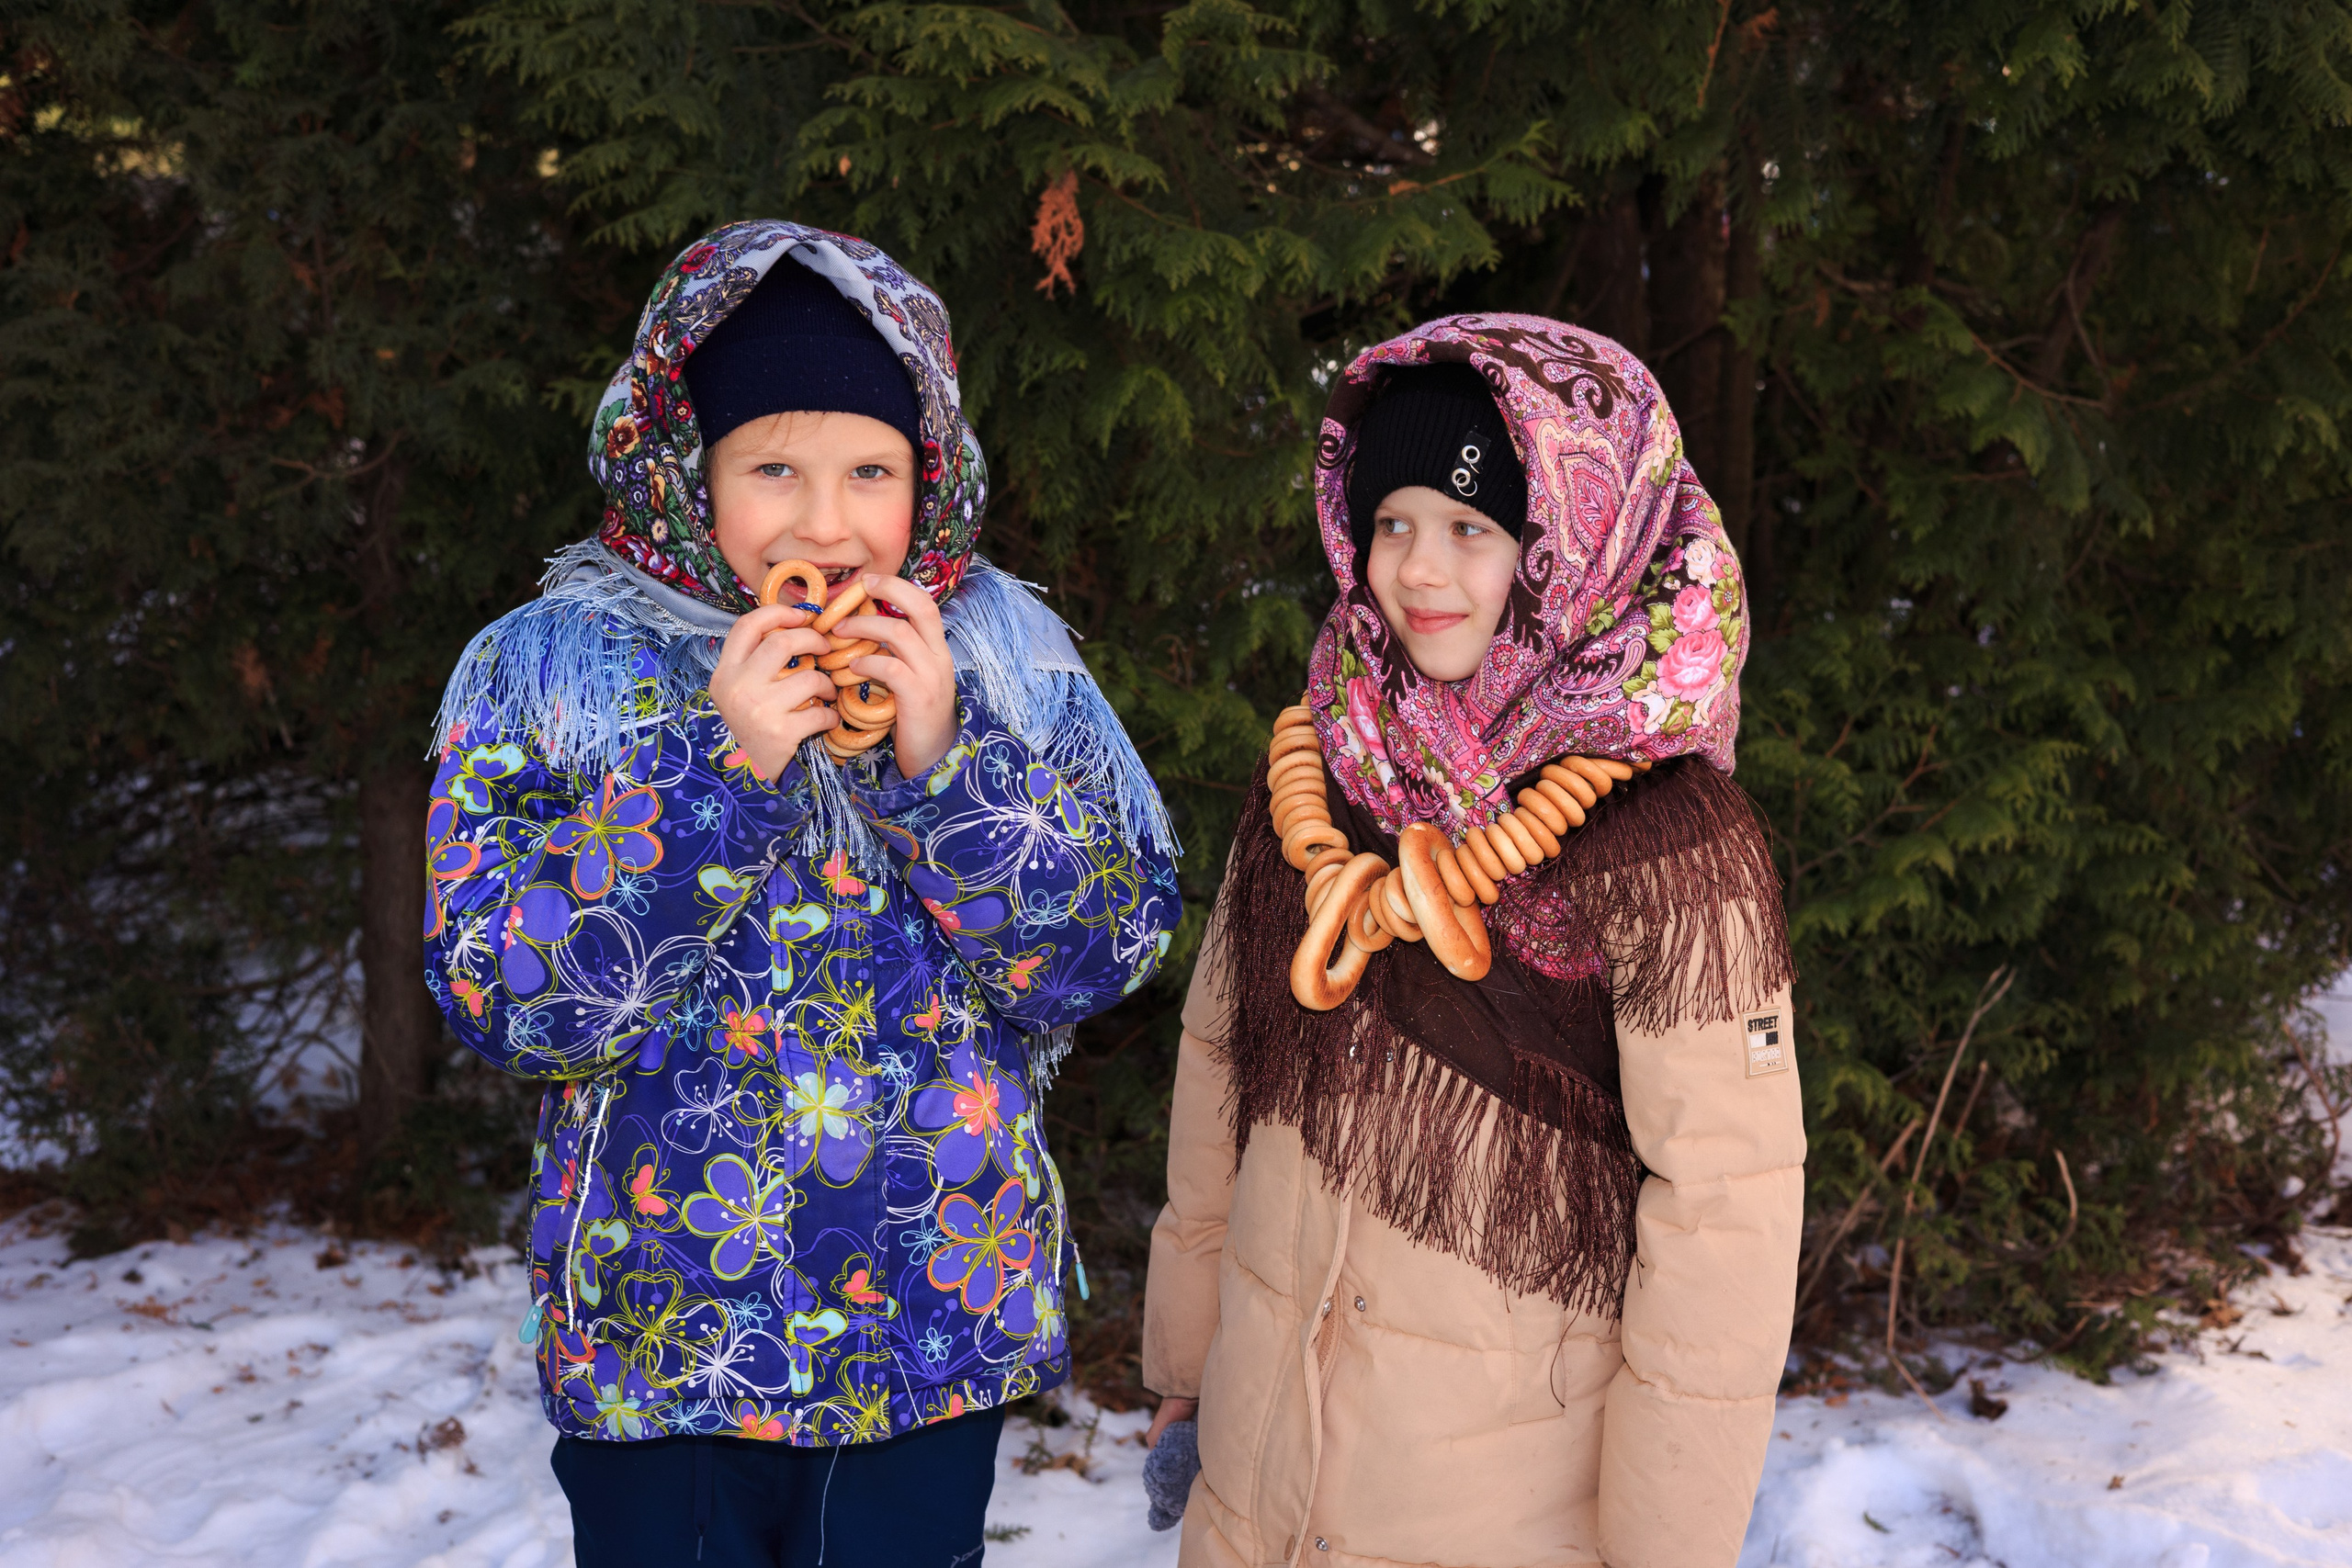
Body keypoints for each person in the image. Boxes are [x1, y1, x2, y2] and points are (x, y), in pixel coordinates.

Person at [424, 220, 1180, 1567]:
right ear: (686, 467)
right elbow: (508, 1001)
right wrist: (716, 773)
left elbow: (1100, 953)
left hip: (928, 1323)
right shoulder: (554, 667)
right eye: (773, 467)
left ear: (927, 473)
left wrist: (946, 766)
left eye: (870, 472)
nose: (825, 524)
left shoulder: (1000, 652)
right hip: (669, 1344)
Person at [1138, 320, 1802, 1568]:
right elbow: (1218, 1062)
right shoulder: (1321, 770)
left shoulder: (1671, 840)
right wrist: (1184, 1361)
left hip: (1503, 1518)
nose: (1418, 570)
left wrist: (1668, 1545)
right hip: (1258, 1497)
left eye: (1472, 528)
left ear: (1568, 543)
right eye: (1391, 523)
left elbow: (1726, 1212)